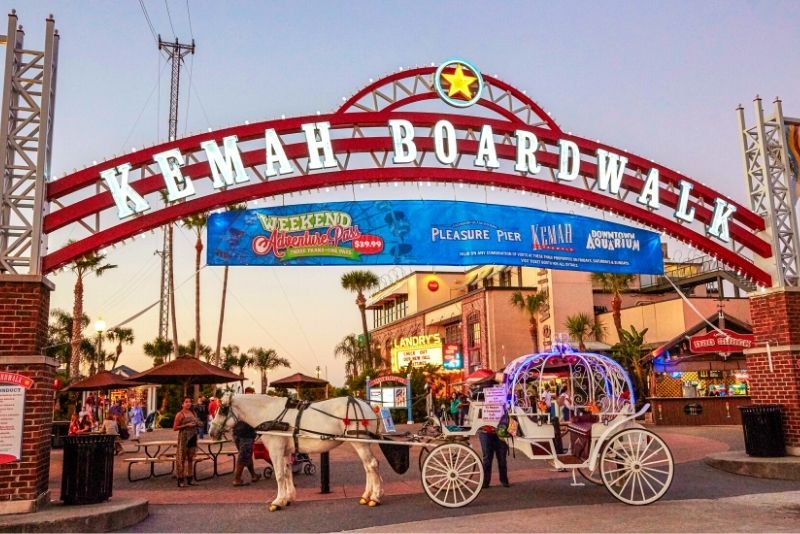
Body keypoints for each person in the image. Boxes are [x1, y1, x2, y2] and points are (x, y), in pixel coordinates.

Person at [233, 387, 262, 486]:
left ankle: (253, 475)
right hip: (246, 434)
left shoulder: (239, 405)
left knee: (246, 455)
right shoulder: (251, 407)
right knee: (243, 456)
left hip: (237, 433)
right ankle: (237, 479)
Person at [173, 397, 202, 487]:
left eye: (189, 402)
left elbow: (199, 423)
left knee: (190, 458)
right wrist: (186, 425)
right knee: (182, 458)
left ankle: (190, 478)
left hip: (193, 436)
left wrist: (198, 424)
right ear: (182, 404)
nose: (188, 404)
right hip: (184, 437)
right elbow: (175, 428)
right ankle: (180, 479)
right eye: (186, 402)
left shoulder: (193, 413)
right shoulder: (180, 414)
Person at [478, 424, 510, 488]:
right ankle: (485, 482)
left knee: (502, 458)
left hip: (501, 431)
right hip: (485, 431)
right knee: (487, 458)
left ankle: (504, 480)